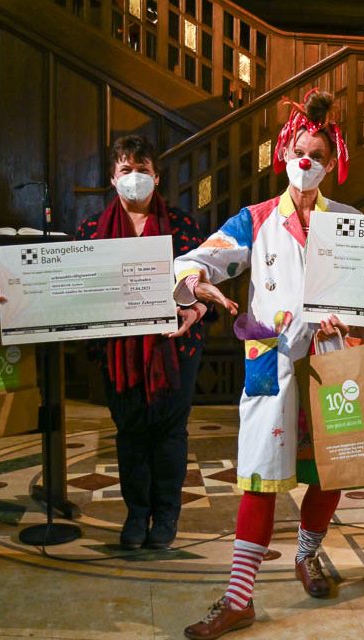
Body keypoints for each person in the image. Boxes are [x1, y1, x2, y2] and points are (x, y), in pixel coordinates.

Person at [176, 89, 364, 640]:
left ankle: (307, 554)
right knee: (260, 480)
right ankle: (239, 599)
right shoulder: (255, 219)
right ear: (284, 154)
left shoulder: (352, 222)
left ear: (333, 165)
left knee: (333, 469)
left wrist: (352, 316)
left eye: (319, 155)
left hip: (335, 361)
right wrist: (194, 286)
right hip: (273, 361)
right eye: (300, 152)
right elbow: (197, 259)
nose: (307, 162)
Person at [74, 135, 210, 551]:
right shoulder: (91, 231)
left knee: (170, 433)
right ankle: (136, 513)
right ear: (112, 180)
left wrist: (197, 309)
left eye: (143, 170)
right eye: (126, 170)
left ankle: (166, 514)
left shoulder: (184, 225)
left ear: (157, 176)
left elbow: (204, 281)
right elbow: (72, 289)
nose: (135, 178)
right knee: (130, 432)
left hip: (174, 347)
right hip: (118, 352)